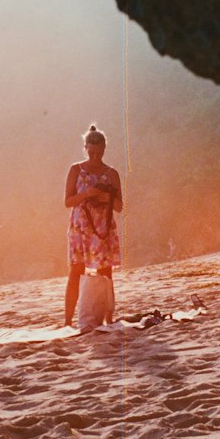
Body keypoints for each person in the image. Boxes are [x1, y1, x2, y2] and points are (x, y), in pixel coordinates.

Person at [64, 124, 123, 326]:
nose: (96, 156)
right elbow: (67, 201)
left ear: (105, 148)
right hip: (81, 226)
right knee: (76, 271)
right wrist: (86, 194)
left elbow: (120, 207)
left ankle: (108, 318)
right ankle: (67, 321)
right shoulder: (76, 170)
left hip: (103, 226)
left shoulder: (112, 173)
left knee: (106, 272)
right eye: (92, 152)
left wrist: (107, 197)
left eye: (99, 152)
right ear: (86, 148)